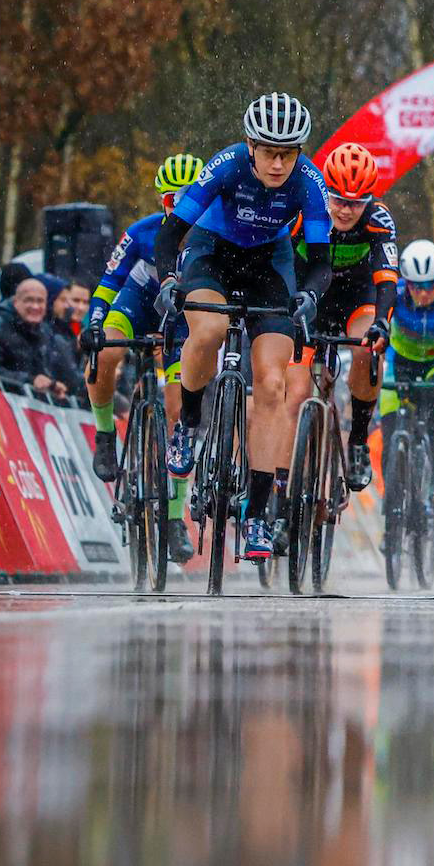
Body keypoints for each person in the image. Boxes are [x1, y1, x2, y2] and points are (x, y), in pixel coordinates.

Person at [154, 92, 331, 563]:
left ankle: (256, 514)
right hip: (212, 254)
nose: (278, 164)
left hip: (268, 265)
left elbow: (320, 261)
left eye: (288, 154)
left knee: (273, 385)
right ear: (251, 146)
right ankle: (187, 425)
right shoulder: (226, 165)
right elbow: (171, 233)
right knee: (208, 332)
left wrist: (309, 295)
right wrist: (170, 279)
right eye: (270, 152)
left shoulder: (309, 183)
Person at [83, 154, 203, 559]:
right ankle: (104, 435)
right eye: (172, 199)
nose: (180, 207)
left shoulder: (213, 239)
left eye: (190, 198)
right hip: (137, 304)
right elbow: (109, 282)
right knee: (107, 349)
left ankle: (172, 517)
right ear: (162, 200)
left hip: (182, 322)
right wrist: (95, 322)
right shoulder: (142, 232)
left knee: (178, 410)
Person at [282, 141, 396, 496]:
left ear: (370, 199)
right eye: (339, 199)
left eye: (356, 202)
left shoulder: (378, 220)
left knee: (367, 350)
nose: (346, 210)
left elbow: (387, 277)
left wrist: (382, 322)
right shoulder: (304, 209)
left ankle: (358, 439)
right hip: (309, 297)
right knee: (296, 389)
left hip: (355, 300)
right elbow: (278, 261)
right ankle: (282, 478)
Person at [380, 239, 434, 513]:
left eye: (429, 285)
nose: (422, 293)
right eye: (415, 286)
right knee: (389, 431)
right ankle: (390, 501)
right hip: (399, 362)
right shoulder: (395, 294)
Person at [0, 276, 74, 399]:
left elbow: (51, 370)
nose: (35, 306)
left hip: (31, 409)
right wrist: (28, 381)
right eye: (29, 300)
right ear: (16, 302)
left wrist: (52, 386)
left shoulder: (45, 332)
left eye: (40, 301)